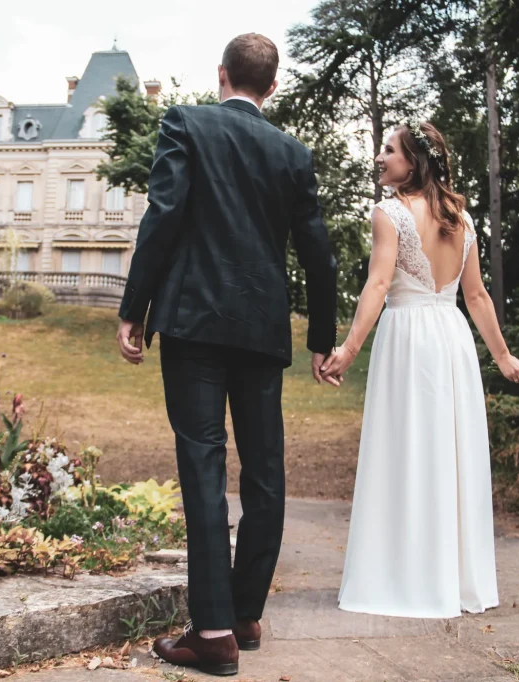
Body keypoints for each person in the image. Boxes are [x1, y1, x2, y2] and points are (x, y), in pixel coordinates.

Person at [115, 33, 338, 676]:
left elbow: (162, 216)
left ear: (221, 74)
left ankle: (213, 632)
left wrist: (134, 308)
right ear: (273, 86)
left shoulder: (185, 123)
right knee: (265, 471)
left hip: (193, 322)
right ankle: (243, 615)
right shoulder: (293, 153)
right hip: (262, 330)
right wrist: (322, 339)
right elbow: (319, 254)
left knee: (204, 468)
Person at [321, 121, 519, 618]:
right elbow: (475, 297)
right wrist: (503, 357)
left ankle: (406, 578)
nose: (380, 157)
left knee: (405, 450)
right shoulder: (461, 217)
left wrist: (349, 349)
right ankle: (453, 581)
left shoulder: (389, 213)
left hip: (408, 340)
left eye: (390, 150)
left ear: (413, 163)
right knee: (447, 453)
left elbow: (378, 286)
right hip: (451, 338)